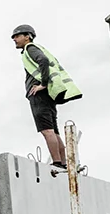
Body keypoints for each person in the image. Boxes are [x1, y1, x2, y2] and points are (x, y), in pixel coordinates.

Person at [11, 24, 83, 172]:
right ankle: (63, 163)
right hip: (48, 95)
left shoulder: (30, 49)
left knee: (46, 130)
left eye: (17, 36)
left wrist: (42, 84)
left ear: (27, 36)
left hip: (39, 95)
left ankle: (57, 163)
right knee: (54, 131)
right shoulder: (36, 48)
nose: (14, 39)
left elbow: (42, 60)